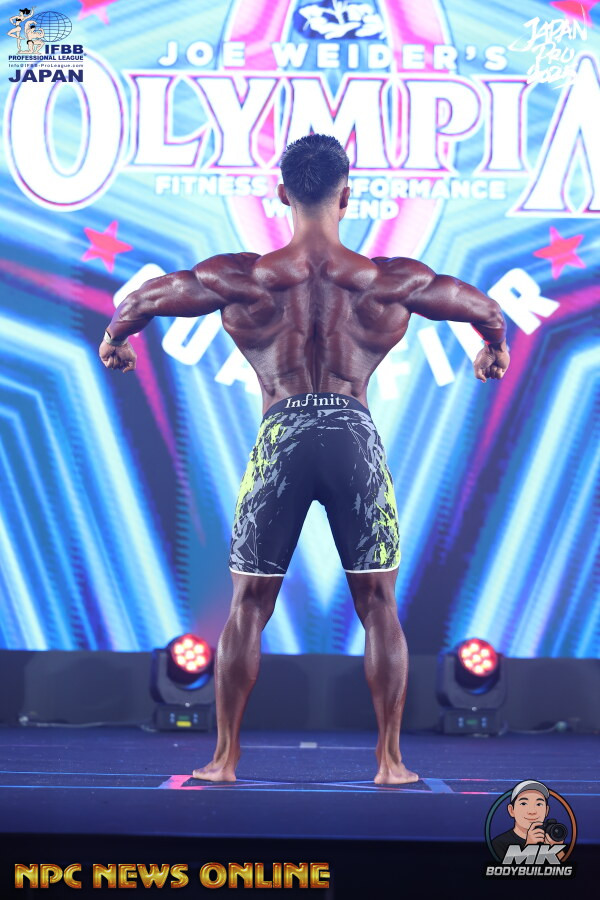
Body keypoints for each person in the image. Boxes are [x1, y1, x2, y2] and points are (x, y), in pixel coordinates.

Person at [99, 133, 510, 784]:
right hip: (352, 435)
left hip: (281, 436)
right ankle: (390, 762)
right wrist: (493, 346)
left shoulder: (242, 276)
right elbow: (482, 308)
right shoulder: (389, 279)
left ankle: (224, 760)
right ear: (347, 198)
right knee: (378, 604)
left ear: (282, 195)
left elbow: (145, 300)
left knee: (248, 606)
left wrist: (116, 339)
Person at [492, 781, 566, 861]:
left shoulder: (550, 838)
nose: (532, 811)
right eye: (524, 803)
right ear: (511, 810)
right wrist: (529, 846)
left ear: (546, 811)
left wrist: (556, 849)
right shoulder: (499, 843)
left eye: (539, 804)